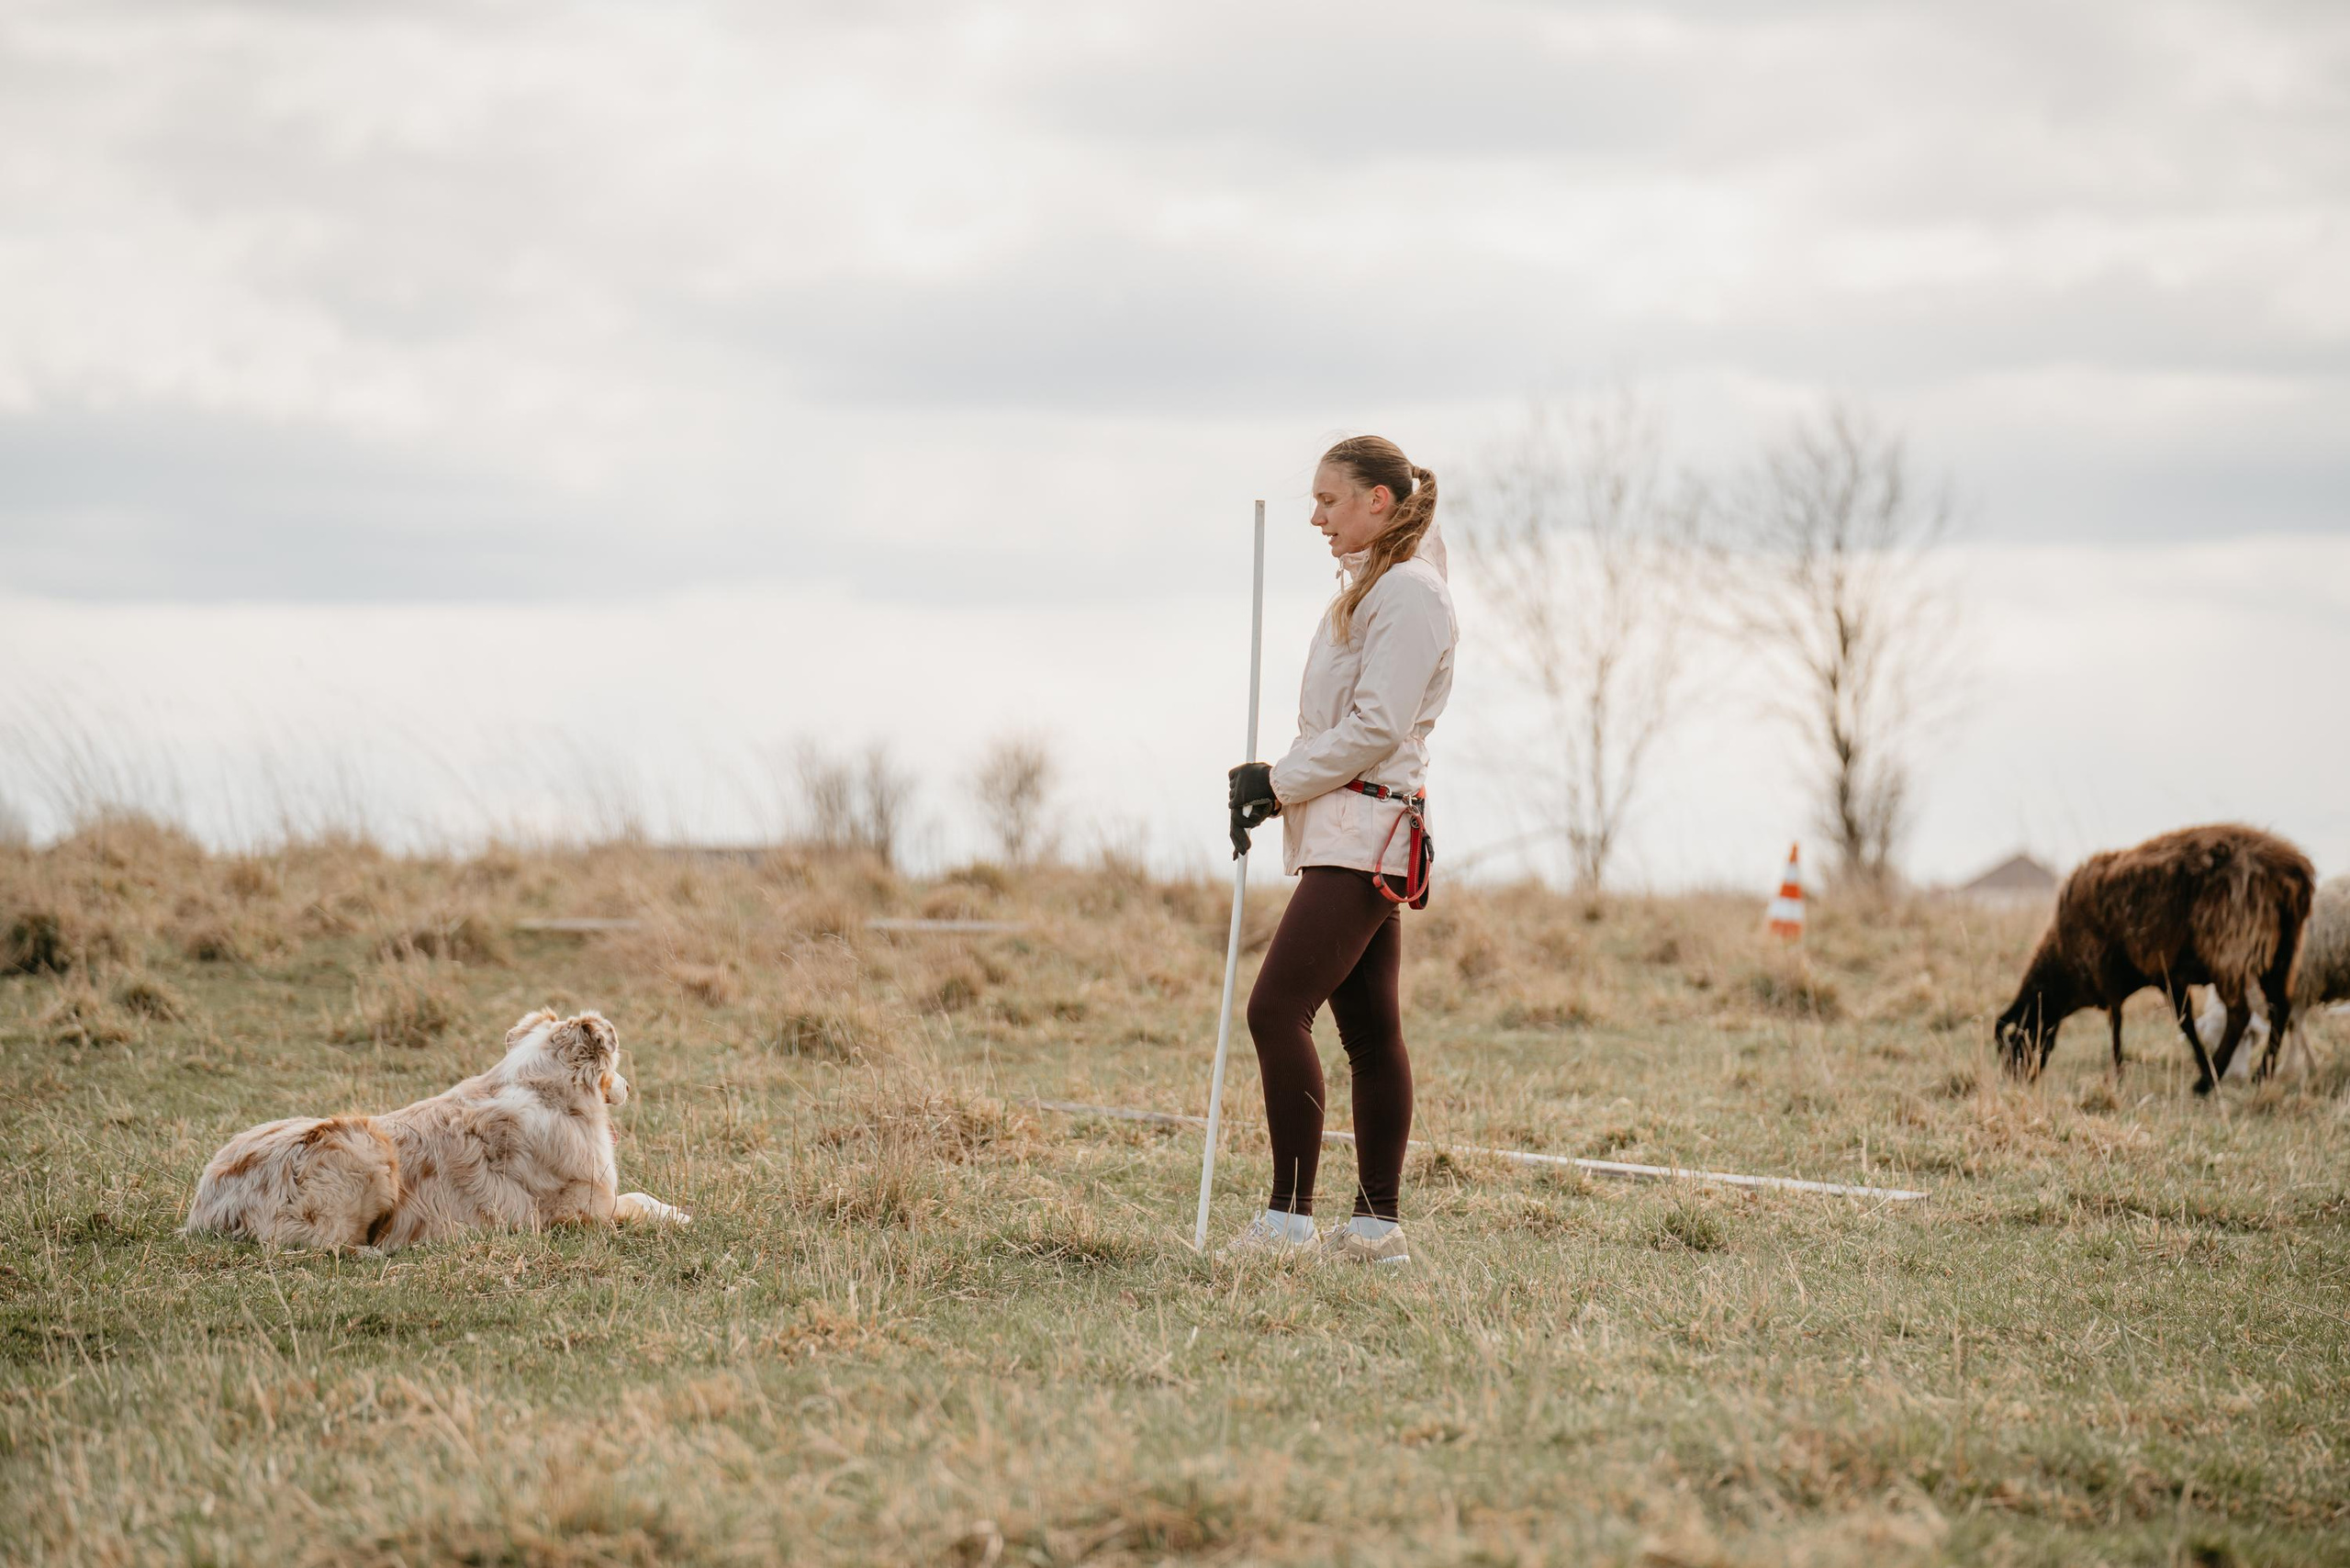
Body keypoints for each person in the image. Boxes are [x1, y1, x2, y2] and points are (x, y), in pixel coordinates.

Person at [1225, 435, 1456, 1265]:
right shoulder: (1372, 590)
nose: (1317, 519)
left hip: (1366, 834)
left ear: (1377, 501)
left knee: (1274, 1010)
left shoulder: (1409, 593)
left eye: (1328, 500)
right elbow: (1344, 725)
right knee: (1369, 1032)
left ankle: (1289, 1221)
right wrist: (1272, 785)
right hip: (1351, 827)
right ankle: (1374, 1231)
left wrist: (1279, 781)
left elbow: (1377, 727)